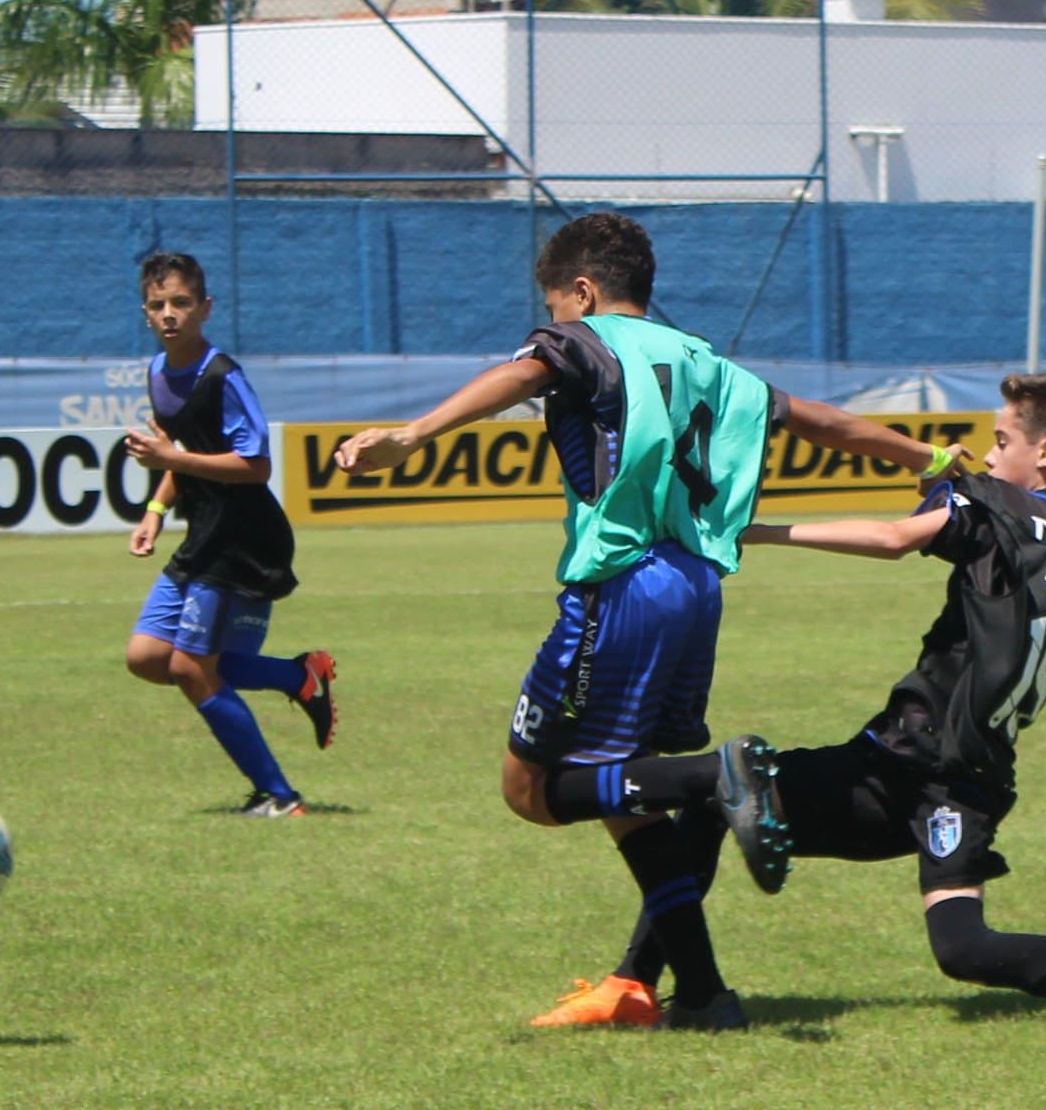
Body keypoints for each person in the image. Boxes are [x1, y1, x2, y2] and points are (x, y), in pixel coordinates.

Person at [334, 212, 946, 1031]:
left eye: (557, 308)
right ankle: (700, 993)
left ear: (582, 293)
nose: (552, 328)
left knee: (534, 789)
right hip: (697, 589)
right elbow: (819, 421)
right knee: (624, 791)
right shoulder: (705, 360)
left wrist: (413, 436)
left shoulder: (586, 342)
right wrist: (925, 458)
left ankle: (716, 777)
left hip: (625, 585)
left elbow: (523, 375)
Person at [545, 370, 1046, 1024]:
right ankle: (640, 984)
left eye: (1002, 440)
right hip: (939, 777)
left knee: (946, 938)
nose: (991, 454)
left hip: (923, 773)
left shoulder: (995, 506)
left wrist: (759, 531)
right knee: (731, 811)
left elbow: (897, 538)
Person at [122, 251, 337, 818]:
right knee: (147, 658)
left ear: (205, 308)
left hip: (243, 538)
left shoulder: (223, 376)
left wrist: (173, 457)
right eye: (158, 305)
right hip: (205, 535)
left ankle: (280, 796)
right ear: (145, 313)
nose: (170, 314)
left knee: (192, 668)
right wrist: (154, 510)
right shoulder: (156, 373)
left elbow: (257, 465)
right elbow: (181, 455)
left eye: (182, 303)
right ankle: (299, 675)